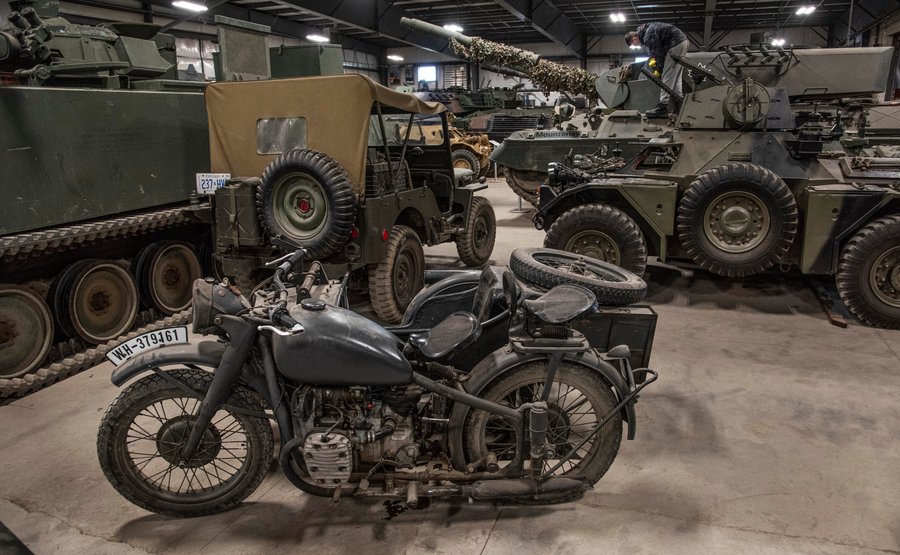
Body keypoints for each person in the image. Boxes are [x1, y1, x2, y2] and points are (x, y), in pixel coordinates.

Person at [625, 23, 689, 117]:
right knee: (676, 76)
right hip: (682, 42)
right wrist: (653, 58)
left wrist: (658, 71)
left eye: (634, 45)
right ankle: (679, 103)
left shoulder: (647, 36)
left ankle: (663, 106)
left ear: (634, 39)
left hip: (675, 43)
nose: (636, 45)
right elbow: (656, 51)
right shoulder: (648, 30)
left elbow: (659, 55)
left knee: (667, 76)